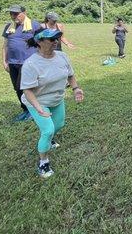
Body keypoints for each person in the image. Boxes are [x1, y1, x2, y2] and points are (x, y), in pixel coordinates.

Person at [21, 28, 84, 178]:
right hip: (37, 101)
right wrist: (38, 109)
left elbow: (71, 75)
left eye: (57, 38)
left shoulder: (62, 56)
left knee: (59, 124)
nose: (56, 42)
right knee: (48, 130)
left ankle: (49, 140)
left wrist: (76, 89)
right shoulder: (31, 64)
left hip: (56, 99)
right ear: (39, 42)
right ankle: (43, 163)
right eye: (51, 39)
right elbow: (27, 91)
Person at [1, 5, 41, 122]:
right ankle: (26, 110)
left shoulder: (34, 25)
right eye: (11, 14)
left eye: (16, 14)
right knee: (17, 88)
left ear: (24, 12)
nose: (14, 16)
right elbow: (5, 46)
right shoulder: (9, 27)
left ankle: (33, 110)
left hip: (28, 63)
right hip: (13, 63)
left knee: (25, 87)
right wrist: (4, 61)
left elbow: (42, 42)